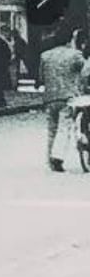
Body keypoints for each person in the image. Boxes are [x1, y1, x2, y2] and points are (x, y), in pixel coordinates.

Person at [42, 31, 85, 172]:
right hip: (68, 97)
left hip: (50, 97)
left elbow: (41, 77)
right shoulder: (75, 54)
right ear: (69, 40)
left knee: (51, 129)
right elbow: (85, 71)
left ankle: (49, 158)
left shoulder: (45, 55)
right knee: (64, 127)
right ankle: (57, 158)